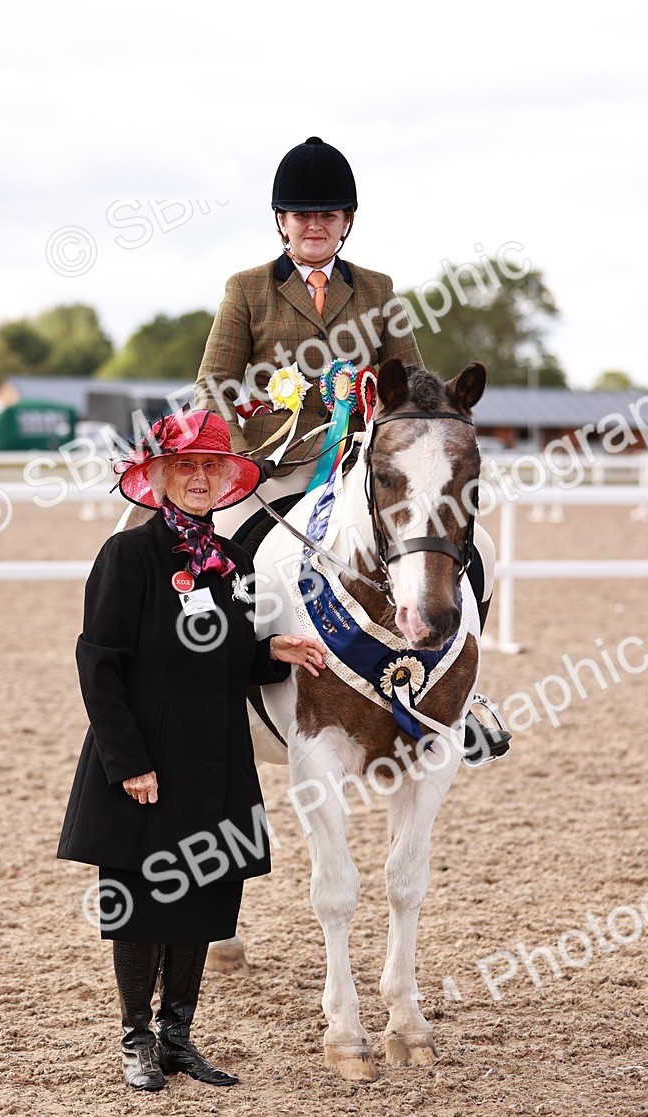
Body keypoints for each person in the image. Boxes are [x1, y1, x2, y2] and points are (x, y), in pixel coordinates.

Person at [193, 135, 509, 764]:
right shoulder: (248, 289)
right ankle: (224, 686)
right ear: (282, 222)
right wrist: (240, 453)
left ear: (346, 223)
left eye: (328, 215)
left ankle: (460, 689)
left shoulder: (376, 288)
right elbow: (213, 385)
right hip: (270, 471)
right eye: (303, 214)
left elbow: (415, 384)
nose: (315, 225)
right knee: (227, 558)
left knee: (478, 551)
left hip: (357, 468)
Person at [58, 409, 327, 1092]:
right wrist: (129, 763)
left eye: (212, 465)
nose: (201, 476)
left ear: (228, 477)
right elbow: (100, 664)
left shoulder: (232, 563)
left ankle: (179, 1037)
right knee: (140, 897)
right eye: (187, 465)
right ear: (159, 476)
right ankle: (137, 1039)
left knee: (207, 896)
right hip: (145, 757)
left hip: (216, 759)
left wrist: (274, 651)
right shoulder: (127, 557)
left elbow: (224, 659)